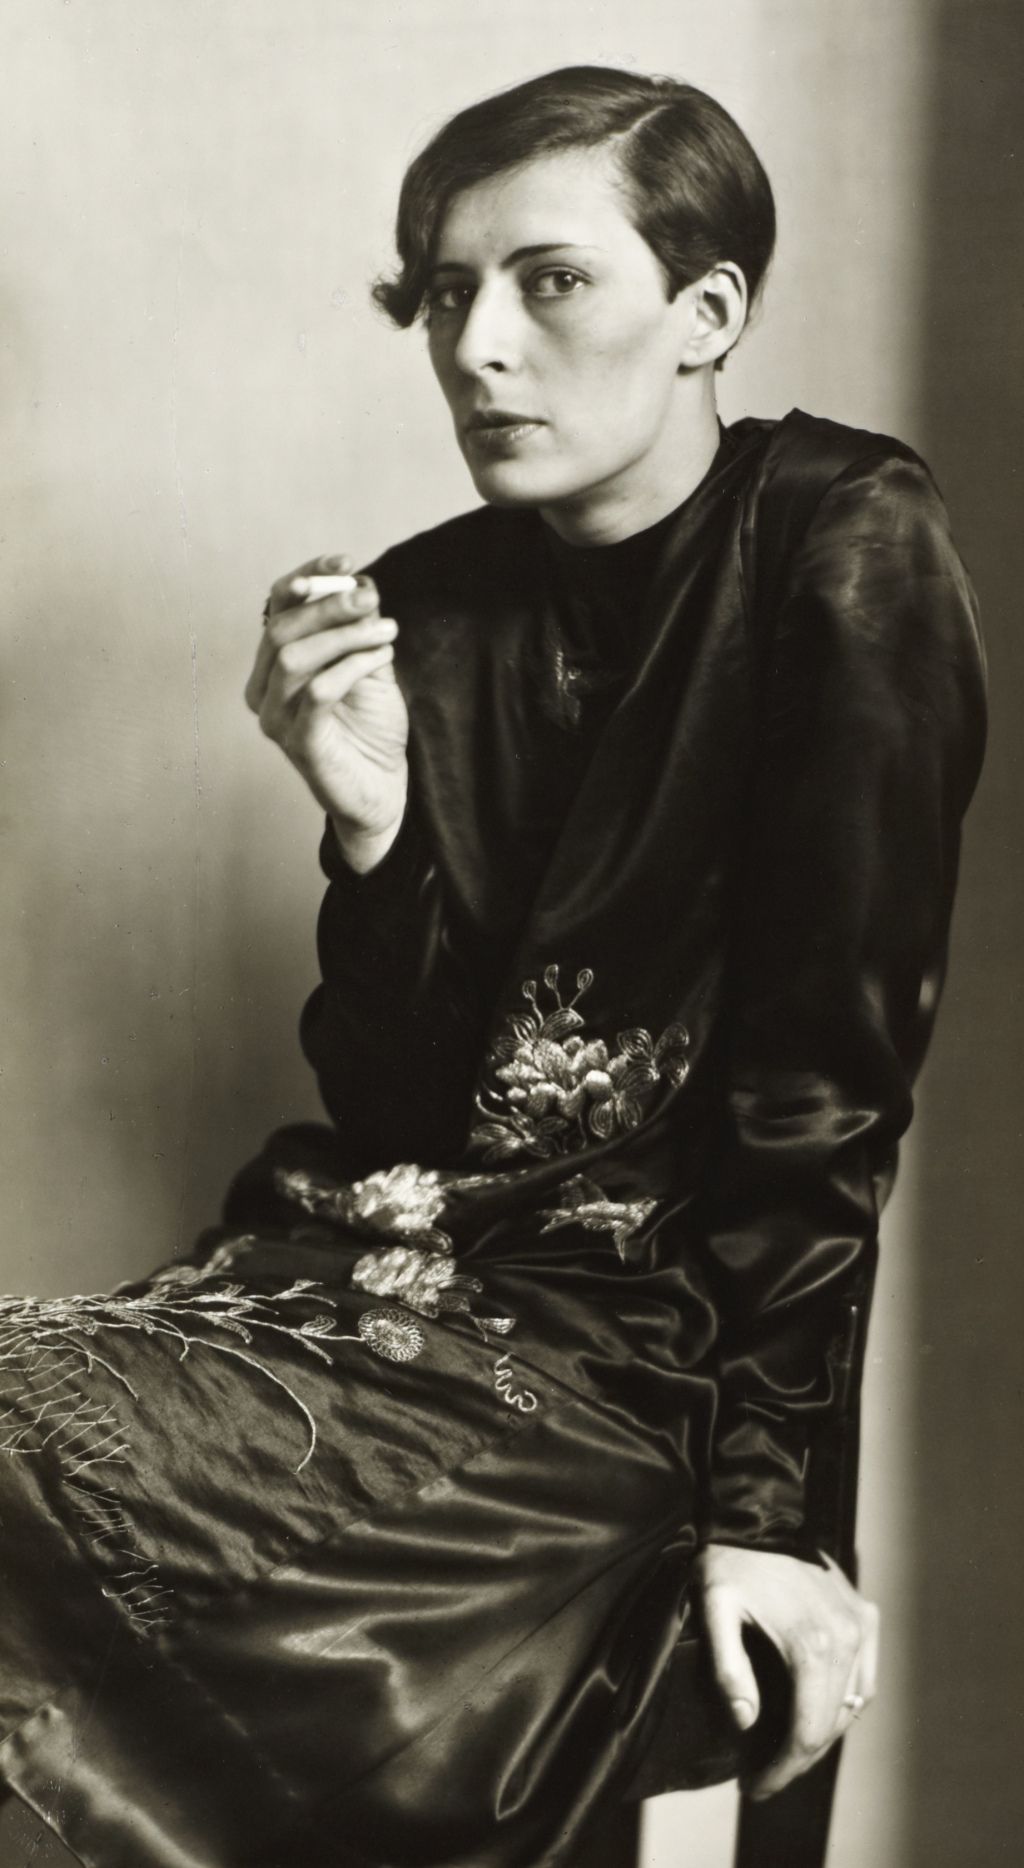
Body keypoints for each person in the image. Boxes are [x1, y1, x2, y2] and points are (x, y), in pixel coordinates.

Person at [0, 65, 985, 1868]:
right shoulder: (428, 601)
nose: (478, 348)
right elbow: (399, 1105)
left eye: (550, 282)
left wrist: (769, 1512)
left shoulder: (842, 539)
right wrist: (371, 826)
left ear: (708, 315)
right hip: (367, 1285)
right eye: (445, 295)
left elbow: (826, 1083)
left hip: (648, 1363)